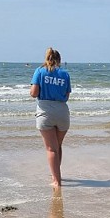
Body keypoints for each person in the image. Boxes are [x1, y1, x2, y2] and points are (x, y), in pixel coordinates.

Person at [30, 48, 72, 190]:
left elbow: (34, 93)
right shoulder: (65, 74)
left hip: (45, 111)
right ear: (59, 59)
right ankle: (56, 174)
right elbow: (66, 96)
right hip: (62, 111)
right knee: (57, 146)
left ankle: (56, 181)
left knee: (51, 149)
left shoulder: (40, 71)